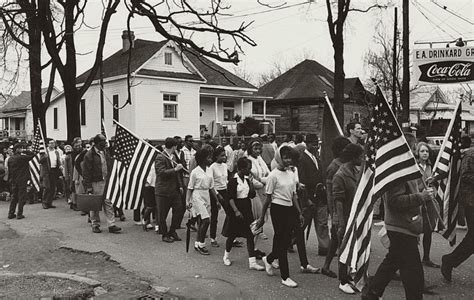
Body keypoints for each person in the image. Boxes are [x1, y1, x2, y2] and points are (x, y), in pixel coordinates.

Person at [361, 174, 435, 299]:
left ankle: (372, 292)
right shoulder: (398, 171)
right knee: (413, 271)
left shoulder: (405, 168)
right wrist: (421, 197)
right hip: (401, 227)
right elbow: (394, 201)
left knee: (392, 262)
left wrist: (425, 193)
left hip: (405, 225)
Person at [258, 146, 304, 288]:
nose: (287, 159)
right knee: (283, 242)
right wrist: (261, 218)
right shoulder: (273, 175)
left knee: (284, 241)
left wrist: (299, 212)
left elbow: (294, 195)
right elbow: (268, 198)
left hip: (290, 208)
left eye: (289, 157)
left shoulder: (290, 173)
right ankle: (285, 276)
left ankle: (269, 258)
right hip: (277, 209)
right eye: (285, 157)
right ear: (279, 157)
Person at [221, 157, 264, 271]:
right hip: (237, 208)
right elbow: (230, 198)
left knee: (250, 235)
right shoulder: (233, 180)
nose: (249, 171)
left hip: (246, 208)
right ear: (241, 168)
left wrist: (250, 183)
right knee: (232, 234)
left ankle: (252, 262)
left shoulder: (246, 179)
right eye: (247, 168)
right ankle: (226, 256)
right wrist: (236, 211)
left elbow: (251, 195)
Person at [441, 136, 474, 282]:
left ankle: (450, 261)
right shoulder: (470, 154)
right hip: (471, 202)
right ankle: (449, 261)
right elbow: (465, 175)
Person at [332, 143, 363, 294]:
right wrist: (341, 223)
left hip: (353, 215)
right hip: (344, 216)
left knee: (352, 247)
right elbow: (338, 200)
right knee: (343, 248)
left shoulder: (354, 172)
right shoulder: (340, 175)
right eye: (360, 156)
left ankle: (349, 276)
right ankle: (342, 280)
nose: (362, 159)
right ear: (354, 157)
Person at [321, 136, 351, 278]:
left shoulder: (345, 164)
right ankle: (344, 273)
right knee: (340, 239)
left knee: (335, 239)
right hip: (337, 208)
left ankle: (326, 266)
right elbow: (330, 193)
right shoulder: (334, 167)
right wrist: (334, 214)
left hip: (346, 206)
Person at [186, 148, 223, 255]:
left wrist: (217, 201)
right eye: (208, 157)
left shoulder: (209, 170)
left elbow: (211, 187)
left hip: (206, 195)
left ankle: (197, 243)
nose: (210, 159)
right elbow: (190, 188)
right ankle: (201, 244)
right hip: (197, 196)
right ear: (202, 159)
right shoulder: (195, 172)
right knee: (206, 220)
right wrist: (187, 201)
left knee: (202, 221)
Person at [297, 133, 329, 256]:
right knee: (304, 222)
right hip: (308, 196)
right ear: (307, 144)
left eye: (317, 144)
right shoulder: (302, 159)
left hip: (320, 195)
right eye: (313, 144)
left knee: (322, 222)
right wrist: (307, 200)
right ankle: (291, 240)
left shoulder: (317, 157)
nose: (315, 146)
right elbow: (302, 181)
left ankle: (324, 247)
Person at [82, 134, 121, 234]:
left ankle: (111, 224)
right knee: (95, 204)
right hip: (96, 182)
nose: (105, 142)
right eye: (103, 141)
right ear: (97, 143)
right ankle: (95, 224)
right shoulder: (90, 154)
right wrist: (89, 186)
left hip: (106, 181)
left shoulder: (105, 152)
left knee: (108, 202)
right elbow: (86, 171)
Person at [155, 137, 185, 243]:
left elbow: (177, 175)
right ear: (174, 146)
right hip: (163, 190)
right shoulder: (160, 157)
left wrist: (180, 186)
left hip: (174, 189)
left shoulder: (174, 157)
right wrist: (175, 169)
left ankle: (172, 230)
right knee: (162, 214)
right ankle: (164, 234)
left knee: (179, 209)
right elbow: (161, 172)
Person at [415, 142, 439, 268]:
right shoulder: (414, 167)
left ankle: (426, 257)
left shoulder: (431, 167)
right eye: (422, 151)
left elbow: (435, 185)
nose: (425, 153)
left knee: (428, 231)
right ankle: (412, 258)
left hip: (429, 203)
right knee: (415, 231)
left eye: (427, 151)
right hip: (417, 202)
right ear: (417, 153)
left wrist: (434, 182)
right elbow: (412, 187)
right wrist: (422, 185)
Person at [247, 139, 271, 252]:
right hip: (254, 191)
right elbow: (251, 178)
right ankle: (253, 241)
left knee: (264, 213)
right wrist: (262, 182)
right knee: (256, 214)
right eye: (255, 149)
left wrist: (266, 180)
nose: (257, 151)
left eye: (259, 148)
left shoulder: (260, 159)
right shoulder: (248, 160)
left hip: (263, 189)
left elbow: (267, 172)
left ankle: (258, 231)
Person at [7, 143, 35, 219]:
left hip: (14, 179)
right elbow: (32, 155)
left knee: (14, 197)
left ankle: (11, 213)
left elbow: (9, 171)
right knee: (21, 197)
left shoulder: (10, 159)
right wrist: (26, 151)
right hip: (22, 179)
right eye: (20, 148)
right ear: (17, 149)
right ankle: (19, 214)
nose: (22, 149)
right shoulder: (22, 157)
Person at [209, 147, 228, 247]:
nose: (224, 157)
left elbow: (226, 180)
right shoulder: (212, 167)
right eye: (222, 155)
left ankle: (230, 236)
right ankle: (213, 238)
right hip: (215, 192)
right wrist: (217, 195)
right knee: (214, 216)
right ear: (216, 156)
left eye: (224, 155)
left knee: (230, 213)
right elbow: (211, 183)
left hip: (225, 191)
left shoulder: (225, 166)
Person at [40, 139, 62, 209]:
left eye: (53, 143)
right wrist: (44, 157)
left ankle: (50, 202)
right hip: (47, 171)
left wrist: (60, 165)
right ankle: (44, 202)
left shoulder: (56, 152)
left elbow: (58, 160)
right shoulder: (44, 152)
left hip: (54, 170)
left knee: (53, 187)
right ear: (48, 144)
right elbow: (40, 160)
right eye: (51, 143)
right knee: (47, 187)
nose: (52, 144)